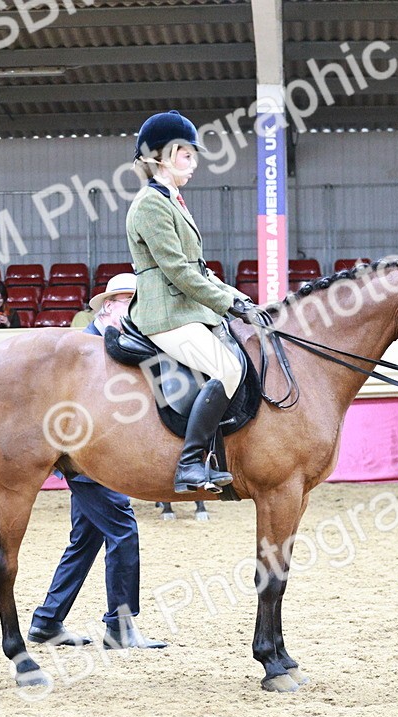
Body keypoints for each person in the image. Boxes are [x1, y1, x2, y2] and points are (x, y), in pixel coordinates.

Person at [28, 272, 168, 650]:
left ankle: (47, 621)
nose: (138, 311)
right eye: (129, 303)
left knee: (85, 539)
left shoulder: (121, 343)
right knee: (123, 530)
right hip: (90, 459)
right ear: (109, 305)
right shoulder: (86, 348)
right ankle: (120, 627)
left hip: (98, 455)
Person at [125, 110, 259, 494]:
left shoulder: (173, 201)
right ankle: (189, 464)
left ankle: (216, 457)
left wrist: (239, 298)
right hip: (166, 314)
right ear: (163, 156)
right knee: (228, 370)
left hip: (187, 310)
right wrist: (225, 305)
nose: (194, 162)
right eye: (187, 154)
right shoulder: (150, 205)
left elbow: (199, 268)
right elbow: (179, 272)